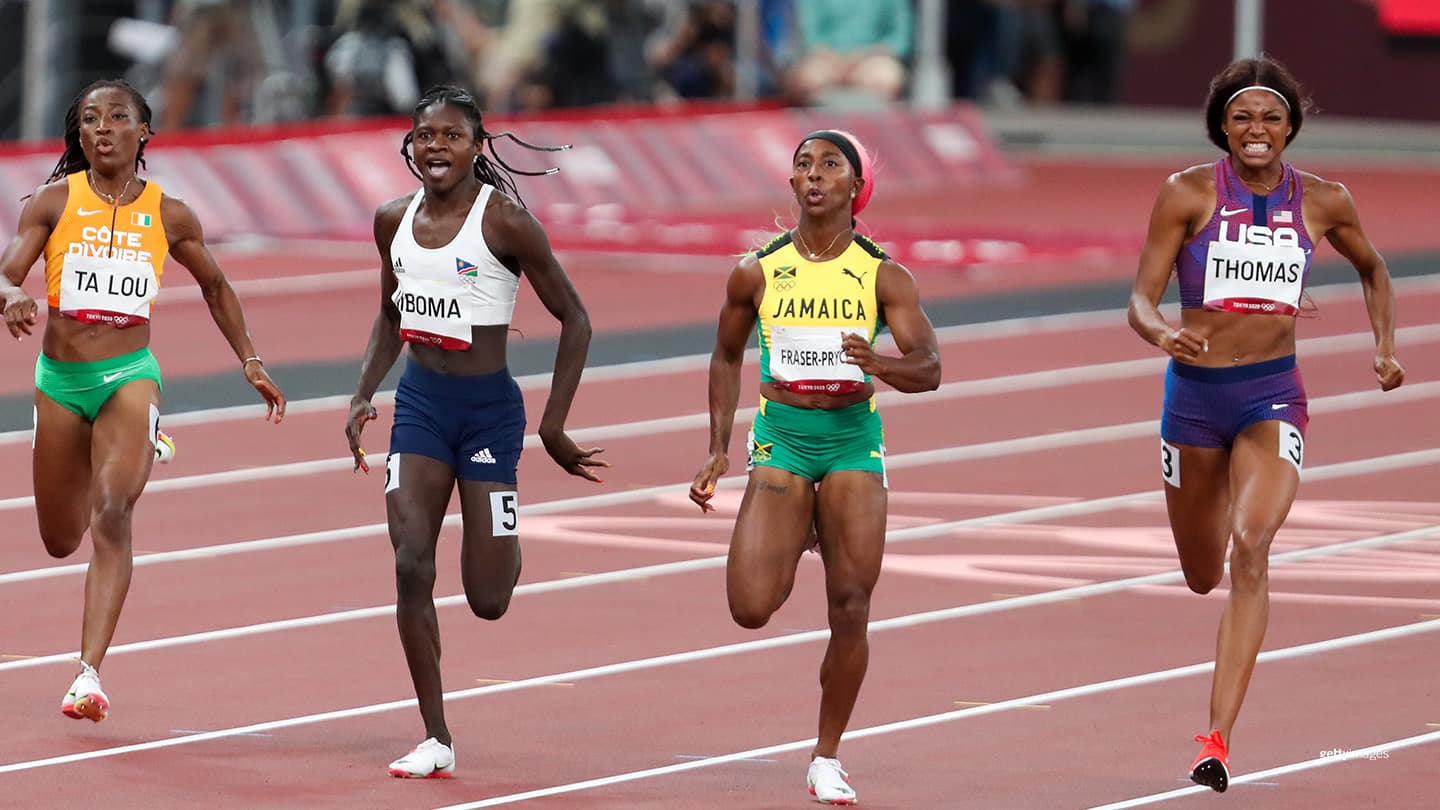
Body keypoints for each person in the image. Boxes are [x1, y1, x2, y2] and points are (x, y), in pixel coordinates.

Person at [1126, 56, 1404, 792]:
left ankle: (1215, 740)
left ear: (1291, 128)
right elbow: (1141, 300)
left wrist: (1383, 348)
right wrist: (1161, 335)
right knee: (1199, 573)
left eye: (1271, 118)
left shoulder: (1324, 201)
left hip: (1271, 397)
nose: (1257, 130)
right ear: (1223, 125)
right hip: (1192, 401)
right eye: (1243, 117)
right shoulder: (1185, 194)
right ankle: (1206, 527)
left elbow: (1375, 269)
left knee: (1252, 546)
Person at [0, 79, 286, 723]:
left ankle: (87, 674)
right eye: (90, 119)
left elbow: (215, 284)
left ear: (143, 132)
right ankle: (122, 441)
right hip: (60, 384)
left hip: (131, 372)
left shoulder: (170, 213)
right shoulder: (52, 202)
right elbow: (5, 269)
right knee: (59, 538)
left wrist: (251, 359)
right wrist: (10, 294)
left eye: (117, 117)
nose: (103, 128)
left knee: (112, 511)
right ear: (78, 136)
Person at [344, 84, 606, 779]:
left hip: (489, 413)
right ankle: (436, 735)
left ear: (475, 146)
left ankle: (504, 536)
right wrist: (364, 392)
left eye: (451, 136)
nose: (436, 148)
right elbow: (392, 314)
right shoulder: (390, 220)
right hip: (423, 407)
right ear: (410, 146)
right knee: (409, 565)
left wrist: (554, 423)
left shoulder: (506, 224)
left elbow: (576, 318)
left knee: (488, 600)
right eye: (425, 136)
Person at [689, 129, 941, 805]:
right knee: (749, 607)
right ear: (793, 185)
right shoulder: (757, 269)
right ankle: (798, 520)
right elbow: (724, 354)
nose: (814, 174)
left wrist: (878, 363)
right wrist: (718, 446)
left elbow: (930, 367)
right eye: (803, 164)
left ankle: (826, 755)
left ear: (858, 187)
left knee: (851, 606)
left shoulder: (884, 274)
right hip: (784, 437)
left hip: (851, 439)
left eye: (830, 164)